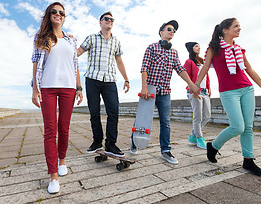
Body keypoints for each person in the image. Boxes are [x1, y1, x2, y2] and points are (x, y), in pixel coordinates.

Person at [193, 18, 261, 176]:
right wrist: (196, 84)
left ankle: (248, 160)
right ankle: (214, 146)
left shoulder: (239, 50)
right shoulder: (214, 48)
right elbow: (204, 68)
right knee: (238, 126)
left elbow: (249, 70)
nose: (239, 28)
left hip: (247, 89)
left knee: (248, 127)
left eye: (239, 26)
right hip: (228, 91)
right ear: (225, 30)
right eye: (236, 26)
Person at [31, 2, 83, 194]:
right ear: (49, 15)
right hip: (48, 88)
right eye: (54, 11)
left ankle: (62, 161)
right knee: (50, 131)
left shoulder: (71, 40)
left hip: (69, 87)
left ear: (64, 17)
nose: (58, 14)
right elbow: (35, 63)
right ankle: (53, 175)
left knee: (64, 128)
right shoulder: (41, 37)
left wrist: (79, 87)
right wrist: (35, 89)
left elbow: (75, 64)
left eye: (61, 12)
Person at [130, 20, 198, 165]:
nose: (172, 31)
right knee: (142, 118)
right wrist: (144, 87)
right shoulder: (152, 47)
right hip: (150, 90)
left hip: (165, 91)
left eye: (174, 30)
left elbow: (180, 69)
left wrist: (191, 84)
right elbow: (144, 68)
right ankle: (135, 142)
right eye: (169, 29)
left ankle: (165, 151)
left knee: (165, 122)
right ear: (161, 32)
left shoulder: (174, 52)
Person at [77, 11, 130, 157]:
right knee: (94, 112)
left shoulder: (116, 42)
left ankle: (111, 144)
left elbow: (119, 62)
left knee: (113, 112)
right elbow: (78, 52)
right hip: (92, 79)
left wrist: (126, 79)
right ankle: (97, 141)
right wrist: (66, 45)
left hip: (110, 81)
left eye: (112, 19)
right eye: (106, 19)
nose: (109, 21)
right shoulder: (92, 38)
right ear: (100, 22)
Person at [183, 42, 211, 149]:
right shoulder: (189, 62)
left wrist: (209, 88)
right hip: (194, 91)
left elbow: (206, 76)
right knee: (197, 117)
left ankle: (193, 135)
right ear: (191, 49)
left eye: (199, 46)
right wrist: (193, 90)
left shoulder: (202, 61)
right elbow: (187, 77)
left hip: (205, 91)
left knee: (207, 116)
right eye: (196, 46)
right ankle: (199, 138)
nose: (198, 48)